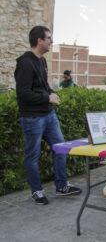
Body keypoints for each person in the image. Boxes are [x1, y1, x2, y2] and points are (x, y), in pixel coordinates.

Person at [14, 26, 82, 205]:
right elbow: (22, 93)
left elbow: (43, 86)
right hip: (32, 118)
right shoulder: (25, 63)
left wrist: (52, 93)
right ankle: (37, 191)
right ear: (39, 41)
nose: (52, 41)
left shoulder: (42, 61)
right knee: (32, 156)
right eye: (49, 38)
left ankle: (61, 186)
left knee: (61, 149)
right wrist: (47, 97)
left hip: (49, 115)